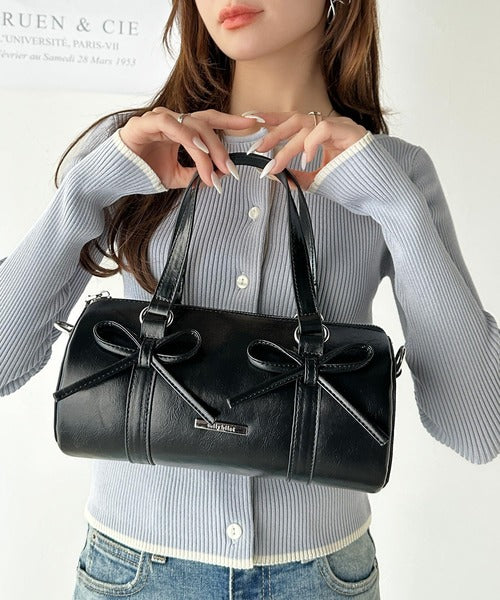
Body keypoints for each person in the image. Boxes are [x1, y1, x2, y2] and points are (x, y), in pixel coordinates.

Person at [0, 1, 498, 598]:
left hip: (322, 577)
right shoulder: (133, 150)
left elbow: (476, 429)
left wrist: (395, 205)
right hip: (134, 573)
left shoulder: (397, 173)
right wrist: (87, 190)